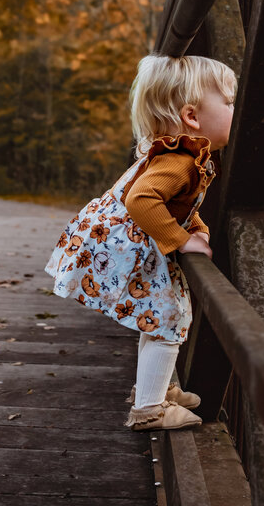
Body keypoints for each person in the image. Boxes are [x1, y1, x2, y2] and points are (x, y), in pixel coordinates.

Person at [45, 53, 237, 431]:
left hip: (124, 242)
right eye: (229, 103)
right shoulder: (178, 161)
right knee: (170, 317)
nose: (235, 108)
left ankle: (155, 387)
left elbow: (177, 202)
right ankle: (149, 410)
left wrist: (195, 227)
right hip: (126, 247)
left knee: (161, 316)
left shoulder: (183, 155)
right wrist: (180, 241)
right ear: (192, 117)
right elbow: (143, 200)